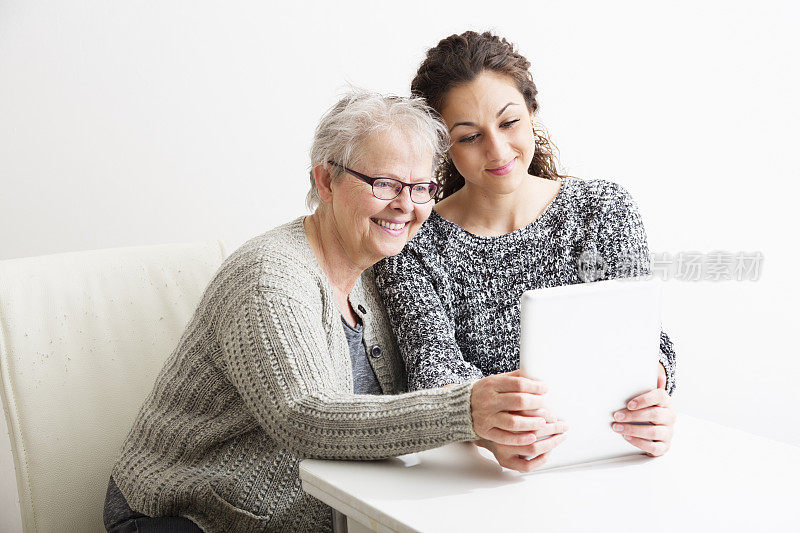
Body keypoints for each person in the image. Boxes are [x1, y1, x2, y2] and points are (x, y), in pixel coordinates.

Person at [103, 91, 567, 533]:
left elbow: (402, 403)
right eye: (384, 183)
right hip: (186, 517)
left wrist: (493, 434)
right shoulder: (270, 279)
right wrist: (466, 411)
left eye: (421, 187)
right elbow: (305, 418)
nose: (405, 206)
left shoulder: (378, 269)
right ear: (326, 180)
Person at [374, 31, 677, 468]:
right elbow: (434, 373)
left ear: (532, 111)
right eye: (468, 136)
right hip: (477, 478)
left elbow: (647, 337)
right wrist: (490, 430)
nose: (497, 150)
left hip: (609, 454)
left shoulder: (604, 209)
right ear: (443, 147)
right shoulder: (415, 243)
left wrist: (654, 390)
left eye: (509, 122)